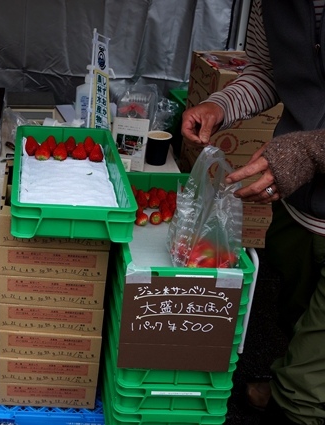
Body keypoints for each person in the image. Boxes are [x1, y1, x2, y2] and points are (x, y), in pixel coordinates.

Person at [181, 1, 325, 424]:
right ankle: (290, 377)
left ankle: (296, 394)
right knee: (296, 319)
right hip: (297, 206)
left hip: (298, 168)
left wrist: (308, 150)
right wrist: (222, 105)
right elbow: (268, 70)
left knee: (305, 392)